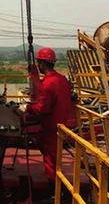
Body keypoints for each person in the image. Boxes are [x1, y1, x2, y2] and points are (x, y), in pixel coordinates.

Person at [19, 47, 75, 183]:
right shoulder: (62, 79)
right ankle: (55, 184)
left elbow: (42, 109)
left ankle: (53, 189)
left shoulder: (49, 83)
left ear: (43, 64)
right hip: (62, 124)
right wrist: (35, 77)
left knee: (51, 161)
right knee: (45, 147)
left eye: (39, 63)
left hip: (51, 127)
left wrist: (28, 107)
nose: (38, 65)